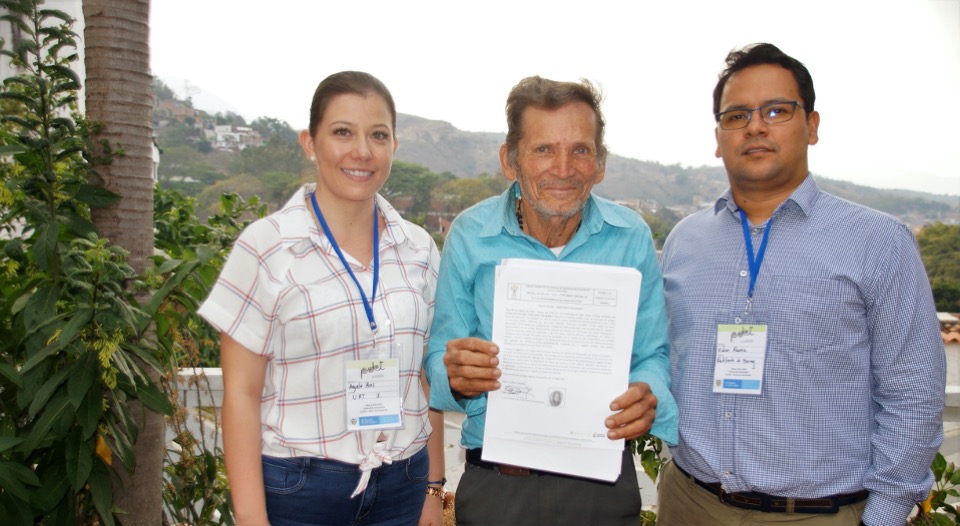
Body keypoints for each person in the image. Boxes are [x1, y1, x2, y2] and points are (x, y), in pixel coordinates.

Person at [657, 43, 946, 526]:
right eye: (736, 115)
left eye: (776, 110)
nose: (755, 126)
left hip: (818, 515)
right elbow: (661, 356)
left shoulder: (879, 241)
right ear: (718, 136)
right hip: (690, 503)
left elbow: (913, 394)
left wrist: (886, 515)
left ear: (811, 126)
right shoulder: (687, 240)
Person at [424, 75, 677, 526]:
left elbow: (652, 353)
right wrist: (459, 372)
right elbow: (440, 374)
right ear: (510, 160)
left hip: (600, 485)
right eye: (543, 149)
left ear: (600, 163)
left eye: (580, 149)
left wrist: (646, 391)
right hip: (498, 487)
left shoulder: (631, 236)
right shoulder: (468, 233)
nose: (564, 168)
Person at [198, 71, 445, 526]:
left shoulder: (418, 249)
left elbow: (422, 377)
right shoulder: (266, 247)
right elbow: (240, 394)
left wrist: (434, 487)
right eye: (342, 132)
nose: (362, 151)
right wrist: (251, 518)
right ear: (309, 143)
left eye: (378, 135)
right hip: (301, 491)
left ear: (394, 145)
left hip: (402, 485)